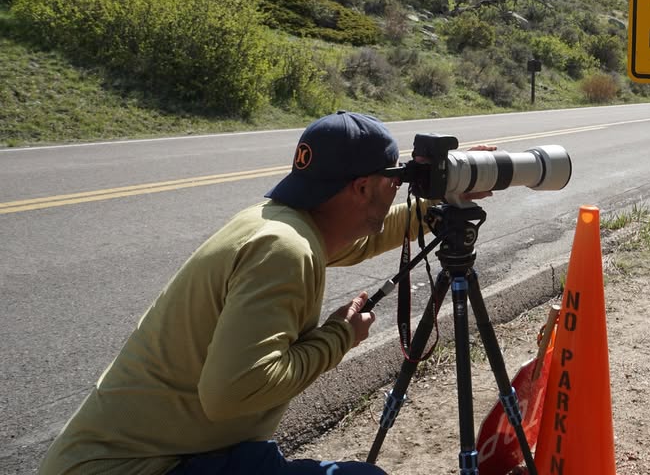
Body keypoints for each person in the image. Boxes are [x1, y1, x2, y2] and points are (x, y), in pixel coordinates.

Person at [40, 112, 485, 475]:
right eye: (395, 179)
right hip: (139, 466)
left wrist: (441, 202)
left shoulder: (280, 221)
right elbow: (234, 393)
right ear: (363, 187)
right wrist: (339, 338)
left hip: (161, 450)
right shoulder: (284, 250)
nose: (399, 187)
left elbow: (364, 235)